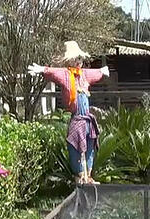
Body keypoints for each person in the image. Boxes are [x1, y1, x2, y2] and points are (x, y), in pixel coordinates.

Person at [28, 41, 110, 185]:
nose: (79, 62)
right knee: (75, 146)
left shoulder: (84, 75)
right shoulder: (66, 75)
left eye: (80, 59)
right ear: (70, 60)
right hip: (77, 119)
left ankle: (88, 175)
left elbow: (95, 73)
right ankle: (79, 175)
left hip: (87, 120)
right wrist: (42, 69)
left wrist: (102, 70)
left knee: (90, 146)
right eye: (76, 59)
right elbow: (53, 72)